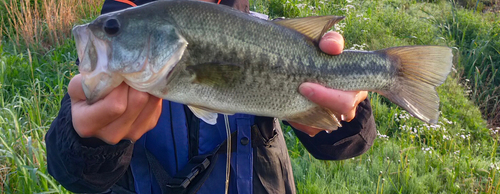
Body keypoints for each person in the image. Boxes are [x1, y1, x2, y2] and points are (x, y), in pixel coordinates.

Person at [45, 0, 377, 193]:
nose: (101, 35)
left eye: (112, 29)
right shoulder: (118, 56)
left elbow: (353, 141)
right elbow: (69, 171)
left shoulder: (262, 29)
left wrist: (345, 117)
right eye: (112, 29)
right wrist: (89, 144)